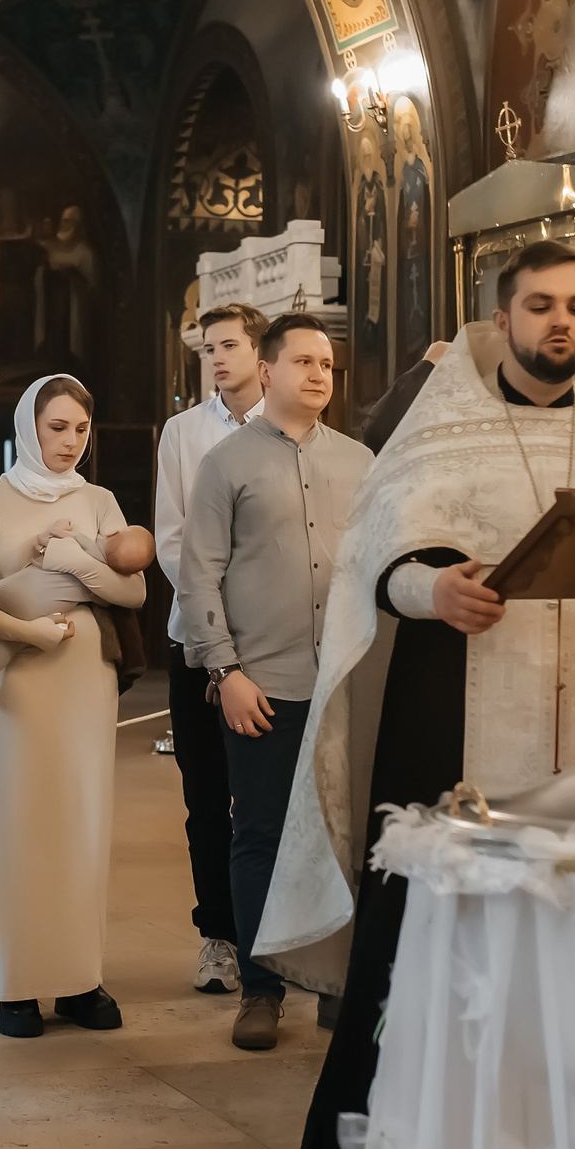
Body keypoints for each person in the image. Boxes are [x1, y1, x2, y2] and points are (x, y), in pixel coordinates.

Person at [253, 239, 575, 1149]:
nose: (560, 323)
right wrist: (430, 587)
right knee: (433, 939)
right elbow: (379, 557)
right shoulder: (443, 431)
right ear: (502, 320)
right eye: (539, 305)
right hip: (455, 720)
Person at [179, 312, 373, 1053]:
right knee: (258, 833)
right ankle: (260, 989)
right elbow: (199, 575)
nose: (320, 373)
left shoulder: (360, 461)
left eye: (327, 363)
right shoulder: (226, 463)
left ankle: (331, 982)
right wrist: (224, 670)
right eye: (303, 361)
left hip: (343, 682)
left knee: (339, 836)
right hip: (263, 684)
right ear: (267, 372)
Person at [0, 375, 149, 1037]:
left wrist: (73, 557)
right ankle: (15, 983)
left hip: (85, 672)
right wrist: (37, 588)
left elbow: (129, 593)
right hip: (21, 669)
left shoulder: (99, 499)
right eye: (57, 427)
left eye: (80, 428)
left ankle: (80, 980)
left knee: (82, 817)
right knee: (20, 820)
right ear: (29, 425)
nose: (70, 441)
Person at [152, 302, 266, 995]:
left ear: (261, 354)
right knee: (206, 794)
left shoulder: (291, 428)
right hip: (195, 636)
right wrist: (211, 614)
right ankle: (218, 938)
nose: (217, 359)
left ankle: (267, 940)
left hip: (270, 641)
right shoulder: (183, 432)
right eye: (207, 348)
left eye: (228, 345)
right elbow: (172, 537)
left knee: (264, 798)